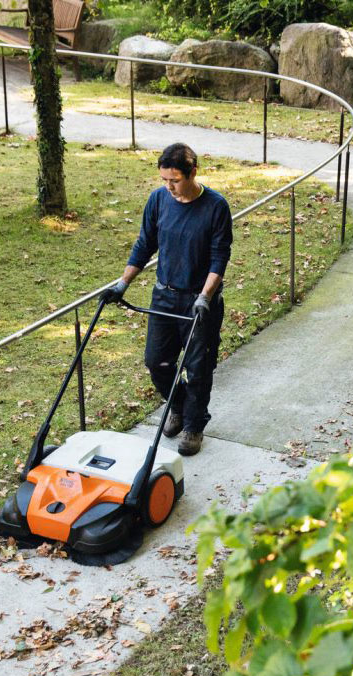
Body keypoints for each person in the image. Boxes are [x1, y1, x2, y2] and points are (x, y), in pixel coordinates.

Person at [101, 143, 233, 456]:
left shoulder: (216, 206)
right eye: (164, 179)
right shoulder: (159, 200)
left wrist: (205, 296)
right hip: (164, 295)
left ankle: (193, 426)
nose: (168, 186)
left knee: (199, 367)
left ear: (193, 172)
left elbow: (219, 256)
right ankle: (180, 406)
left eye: (174, 180)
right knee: (156, 361)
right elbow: (145, 243)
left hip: (200, 301)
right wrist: (122, 284)